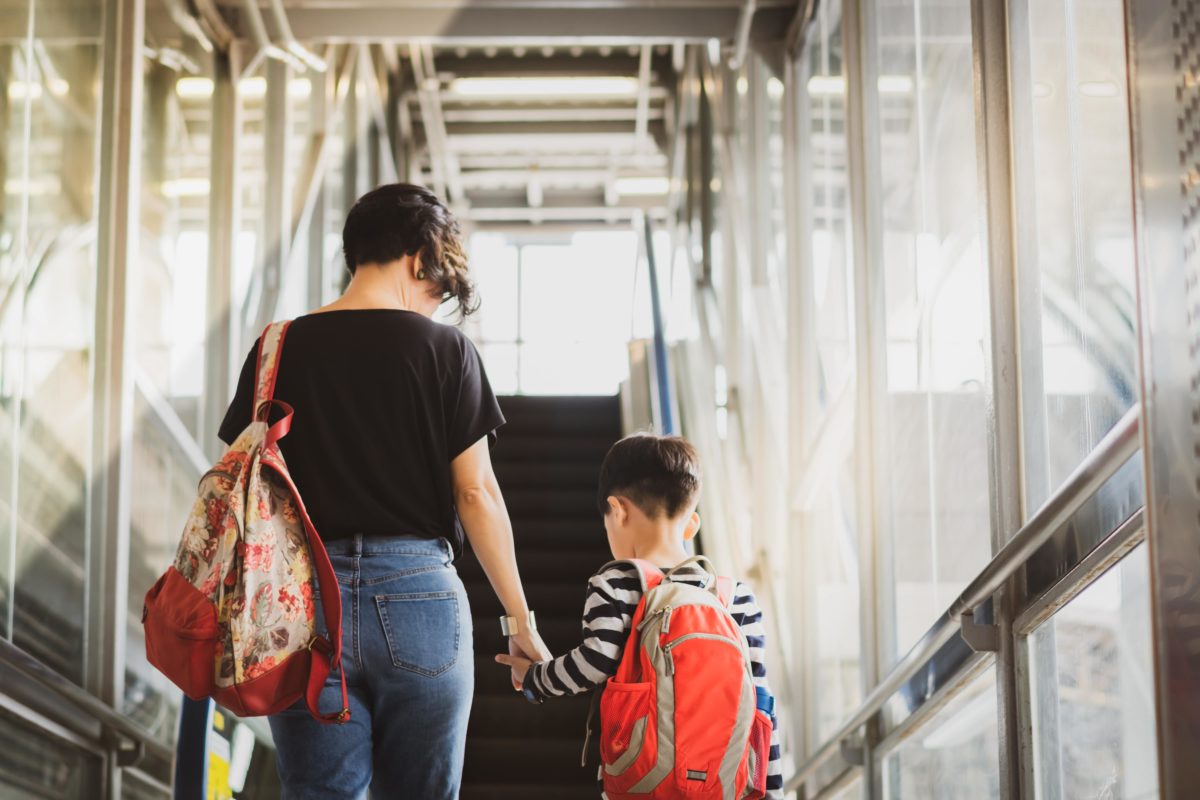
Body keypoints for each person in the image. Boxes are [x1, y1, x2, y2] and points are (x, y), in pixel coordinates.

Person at [217, 183, 550, 799]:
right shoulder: (447, 350)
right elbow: (476, 494)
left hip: (303, 603)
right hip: (421, 598)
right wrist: (519, 619)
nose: (433, 303)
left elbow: (245, 485)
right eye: (436, 285)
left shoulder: (276, 346)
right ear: (418, 255)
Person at [495, 433, 784, 798]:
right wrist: (772, 791)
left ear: (618, 510)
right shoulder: (736, 598)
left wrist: (535, 678)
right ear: (691, 524)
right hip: (722, 786)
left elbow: (594, 662)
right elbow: (762, 705)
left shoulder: (615, 582)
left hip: (640, 782)